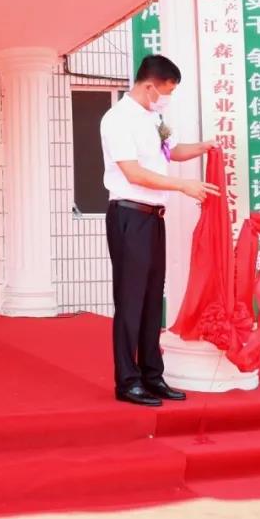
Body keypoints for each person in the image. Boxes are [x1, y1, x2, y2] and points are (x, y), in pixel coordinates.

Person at [99, 54, 219, 407]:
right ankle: (127, 381)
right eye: (167, 91)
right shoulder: (118, 119)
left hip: (153, 217)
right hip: (129, 215)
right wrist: (183, 186)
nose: (168, 97)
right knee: (131, 300)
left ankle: (152, 375)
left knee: (153, 299)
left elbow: (171, 150)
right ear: (150, 86)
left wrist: (204, 147)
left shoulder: (156, 118)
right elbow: (133, 173)